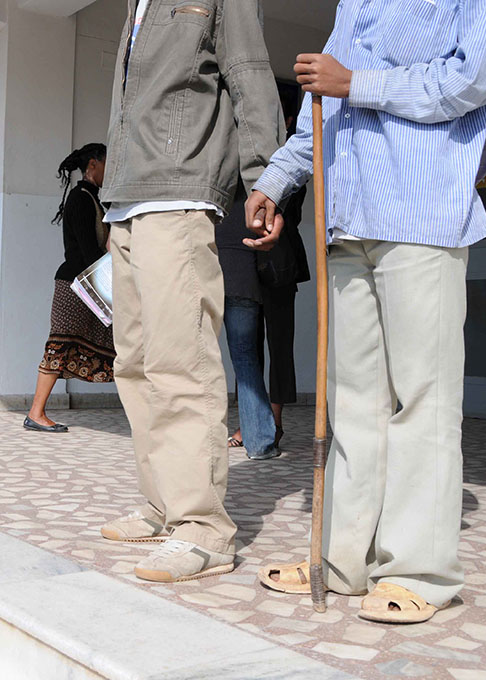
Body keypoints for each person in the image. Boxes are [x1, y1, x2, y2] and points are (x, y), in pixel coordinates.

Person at [246, 0, 486, 623]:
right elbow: (326, 99)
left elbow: (481, 74)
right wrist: (279, 179)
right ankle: (340, 561)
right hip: (349, 215)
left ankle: (421, 570)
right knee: (352, 402)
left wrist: (359, 83)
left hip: (420, 214)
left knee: (422, 398)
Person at [98, 0, 284, 583]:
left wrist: (265, 180)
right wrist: (112, 208)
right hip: (127, 199)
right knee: (134, 363)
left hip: (179, 194)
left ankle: (203, 527)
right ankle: (162, 505)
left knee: (181, 360)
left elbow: (250, 76)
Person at [220, 104, 310, 457]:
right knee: (246, 346)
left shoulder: (290, 158)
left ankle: (272, 420)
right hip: (239, 258)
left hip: (278, 261)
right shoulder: (231, 152)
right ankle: (255, 424)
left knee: (278, 344)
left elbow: (293, 210)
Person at [24, 143, 115, 433]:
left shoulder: (94, 198)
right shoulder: (80, 198)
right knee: (59, 344)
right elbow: (89, 251)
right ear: (92, 165)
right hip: (76, 285)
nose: (109, 171)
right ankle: (35, 413)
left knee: (120, 344)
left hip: (86, 282)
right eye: (105, 164)